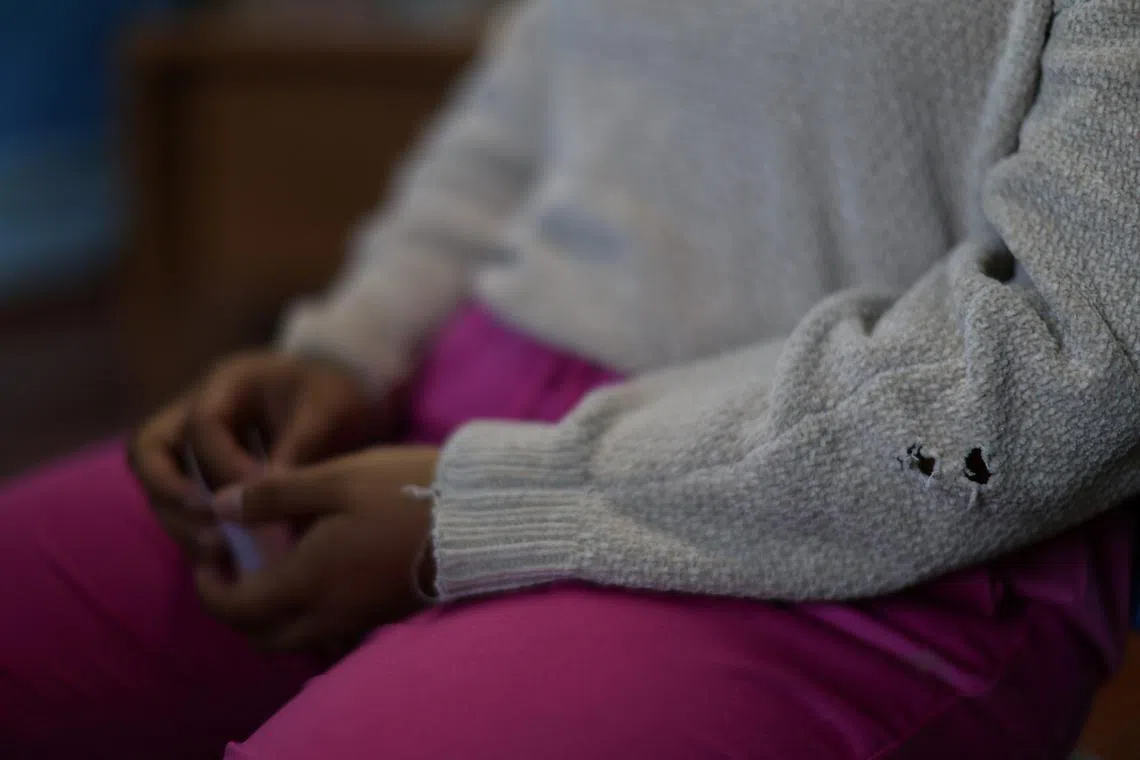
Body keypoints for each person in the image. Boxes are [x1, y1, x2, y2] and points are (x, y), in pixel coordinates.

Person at [2, 0, 1138, 757]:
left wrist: (489, 506)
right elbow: (533, 110)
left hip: (869, 542)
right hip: (458, 422)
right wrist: (347, 349)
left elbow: (1073, 355)